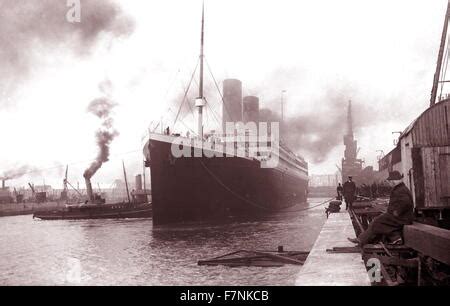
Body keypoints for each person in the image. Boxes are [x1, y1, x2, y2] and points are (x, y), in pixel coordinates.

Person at [348, 171, 414, 246]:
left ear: (395, 181)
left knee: (377, 222)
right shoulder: (400, 188)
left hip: (401, 218)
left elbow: (406, 202)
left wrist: (397, 212)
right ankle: (396, 238)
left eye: (391, 181)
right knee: (380, 221)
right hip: (401, 217)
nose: (390, 183)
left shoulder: (400, 190)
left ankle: (361, 239)